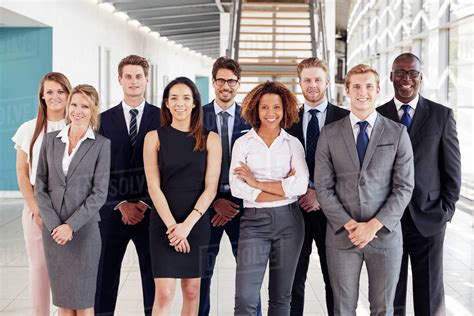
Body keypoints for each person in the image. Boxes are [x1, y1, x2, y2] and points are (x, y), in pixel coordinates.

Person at [314, 64, 414, 315]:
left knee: (382, 308)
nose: (363, 92)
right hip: (341, 237)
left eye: (369, 86)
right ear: (346, 90)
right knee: (343, 308)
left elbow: (404, 187)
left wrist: (372, 226)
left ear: (378, 89)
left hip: (385, 236)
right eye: (356, 86)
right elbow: (323, 188)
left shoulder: (398, 133)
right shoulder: (329, 134)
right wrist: (350, 225)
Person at [377, 53, 461, 316]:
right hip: (389, 220)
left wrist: (445, 211)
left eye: (412, 73)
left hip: (430, 217)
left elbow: (453, 170)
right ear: (390, 76)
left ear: (420, 78)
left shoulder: (441, 115)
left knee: (430, 294)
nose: (406, 79)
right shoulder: (378, 117)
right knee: (392, 292)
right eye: (400, 72)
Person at [144, 77, 221, 315]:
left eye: (186, 98)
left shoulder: (211, 139)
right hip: (164, 223)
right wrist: (173, 228)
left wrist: (186, 227)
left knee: (192, 291)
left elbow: (211, 188)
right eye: (174, 98)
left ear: (195, 103)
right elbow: (153, 187)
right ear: (166, 103)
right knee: (164, 293)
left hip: (195, 224)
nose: (180, 103)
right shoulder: (154, 137)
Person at [230, 82, 309, 315]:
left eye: (276, 107)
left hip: (290, 223)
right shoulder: (243, 143)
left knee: (281, 297)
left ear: (285, 110)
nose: (271, 113)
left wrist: (255, 183)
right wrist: (282, 187)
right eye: (265, 107)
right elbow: (236, 187)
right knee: (245, 297)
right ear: (256, 109)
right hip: (254, 223)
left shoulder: (293, 144)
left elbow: (301, 185)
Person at [35, 84, 111, 315]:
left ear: (93, 110)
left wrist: (70, 226)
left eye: (85, 106)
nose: (78, 111)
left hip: (84, 233)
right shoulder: (50, 140)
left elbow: (99, 194)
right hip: (54, 233)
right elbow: (40, 186)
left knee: (84, 304)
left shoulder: (101, 145)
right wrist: (55, 225)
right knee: (64, 303)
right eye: (74, 105)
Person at [95, 55, 160, 315]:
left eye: (138, 76)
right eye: (128, 76)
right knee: (105, 277)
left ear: (146, 79)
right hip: (111, 212)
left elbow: (167, 167)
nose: (133, 81)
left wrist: (144, 203)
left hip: (152, 212)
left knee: (153, 278)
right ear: (119, 79)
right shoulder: (101, 120)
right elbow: (97, 170)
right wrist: (121, 203)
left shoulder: (162, 118)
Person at [199, 57, 262, 316]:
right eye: (221, 80)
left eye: (232, 81)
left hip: (242, 207)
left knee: (249, 277)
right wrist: (214, 201)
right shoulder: (196, 116)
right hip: (204, 207)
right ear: (214, 82)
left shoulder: (251, 119)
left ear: (239, 84)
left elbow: (258, 164)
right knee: (201, 276)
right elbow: (189, 167)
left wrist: (235, 201)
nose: (226, 86)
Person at [287, 57, 349, 316]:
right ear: (299, 83)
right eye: (307, 80)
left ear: (326, 82)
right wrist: (304, 190)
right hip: (295, 212)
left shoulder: (345, 118)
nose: (312, 85)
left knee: (336, 283)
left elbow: (350, 169)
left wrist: (321, 196)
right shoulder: (288, 119)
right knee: (292, 282)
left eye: (317, 80)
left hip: (333, 213)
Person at [12, 72, 72, 315]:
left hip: (71, 207)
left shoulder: (78, 126)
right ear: (42, 96)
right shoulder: (29, 129)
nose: (55, 96)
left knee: (68, 270)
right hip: (38, 206)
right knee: (39, 268)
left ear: (69, 94)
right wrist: (37, 210)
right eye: (49, 92)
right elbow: (22, 172)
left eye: (60, 91)